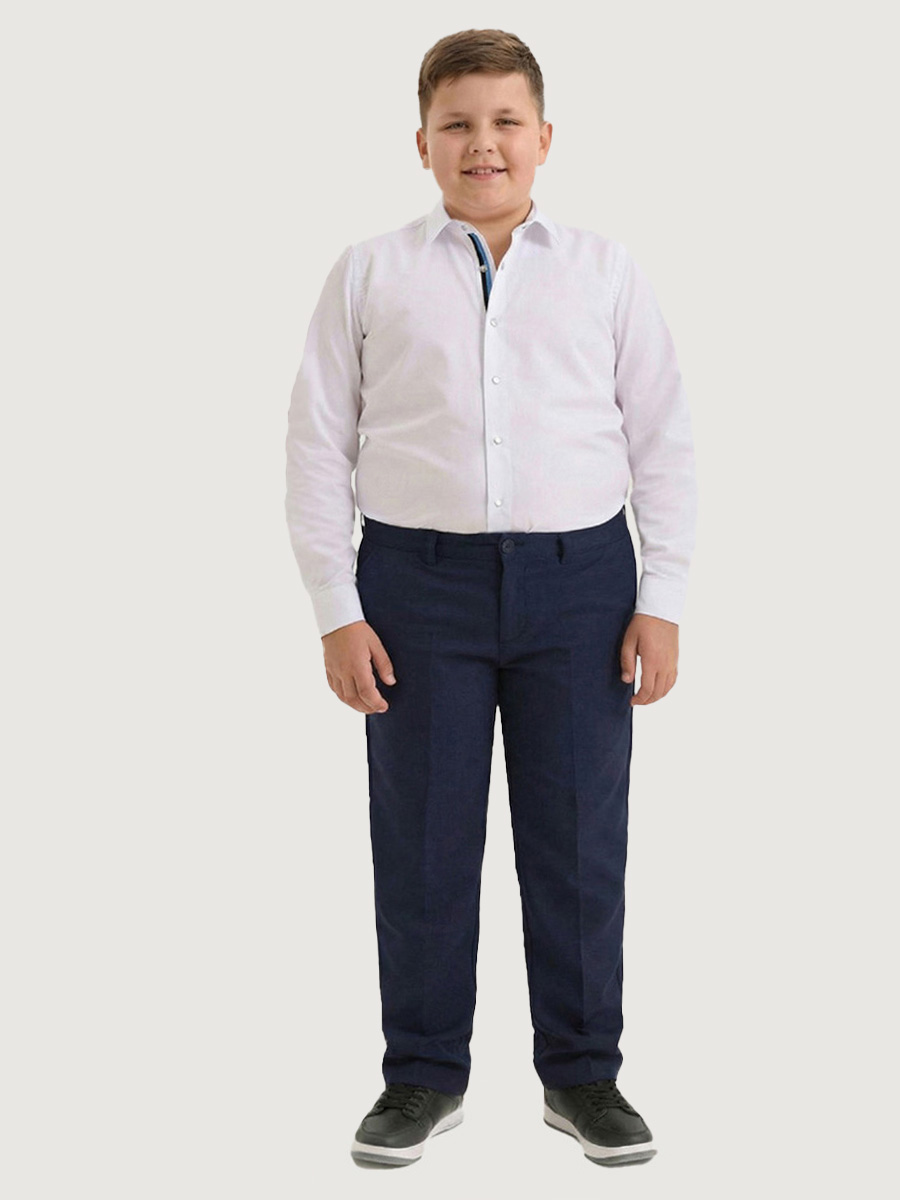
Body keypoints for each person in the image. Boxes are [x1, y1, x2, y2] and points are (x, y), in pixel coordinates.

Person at [284, 27, 697, 1171]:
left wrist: (661, 595)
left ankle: (583, 1074)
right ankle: (421, 1074)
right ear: (421, 143)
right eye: (457, 124)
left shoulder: (604, 270)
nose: (484, 144)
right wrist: (335, 607)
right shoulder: (369, 272)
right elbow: (317, 445)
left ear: (544, 137)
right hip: (415, 590)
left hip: (582, 588)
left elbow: (662, 436)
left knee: (578, 839)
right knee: (423, 837)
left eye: (506, 121)